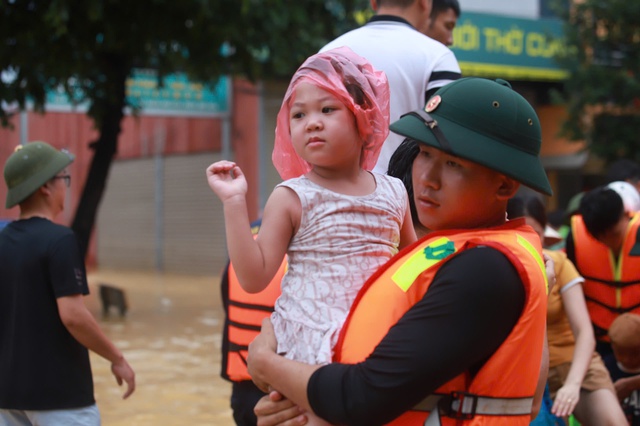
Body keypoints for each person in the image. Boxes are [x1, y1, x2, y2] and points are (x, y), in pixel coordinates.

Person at [248, 77, 553, 425]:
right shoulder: (446, 252)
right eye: (425, 154)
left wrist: (266, 362)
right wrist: (295, 395)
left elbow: (361, 397)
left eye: (453, 164)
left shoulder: (485, 270)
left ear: (504, 185)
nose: (428, 178)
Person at [207, 47, 415, 423]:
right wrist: (234, 203)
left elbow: (415, 269)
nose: (311, 122)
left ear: (364, 117)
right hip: (305, 348)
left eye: (327, 110)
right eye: (298, 114)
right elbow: (254, 278)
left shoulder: (395, 192)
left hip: (376, 339)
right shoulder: (291, 197)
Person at [0, 141, 135, 425]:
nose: (66, 186)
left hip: (7, 396)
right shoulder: (60, 240)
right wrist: (116, 357)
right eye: (63, 178)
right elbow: (74, 316)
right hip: (59, 397)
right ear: (45, 188)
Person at [507, 194, 626, 425]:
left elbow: (584, 333)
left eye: (536, 234)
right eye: (520, 235)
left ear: (544, 231)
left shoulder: (559, 264)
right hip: (521, 372)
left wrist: (572, 384)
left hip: (572, 364)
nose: (531, 243)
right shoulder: (491, 268)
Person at [320, 0, 461, 174]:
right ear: (425, 3)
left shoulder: (328, 53)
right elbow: (447, 138)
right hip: (405, 194)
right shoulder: (439, 58)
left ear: (373, 2)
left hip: (333, 191)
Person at [219, 218, 285, 426]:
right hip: (289, 392)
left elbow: (225, 294)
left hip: (244, 387)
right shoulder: (323, 239)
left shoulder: (249, 233)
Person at [566, 185, 640, 360]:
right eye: (600, 238)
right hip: (598, 340)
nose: (608, 242)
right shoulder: (575, 238)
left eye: (614, 234)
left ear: (626, 214)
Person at [604, 313, 640, 425]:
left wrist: (632, 383)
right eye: (621, 353)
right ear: (613, 347)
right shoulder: (606, 367)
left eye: (635, 353)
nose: (627, 359)